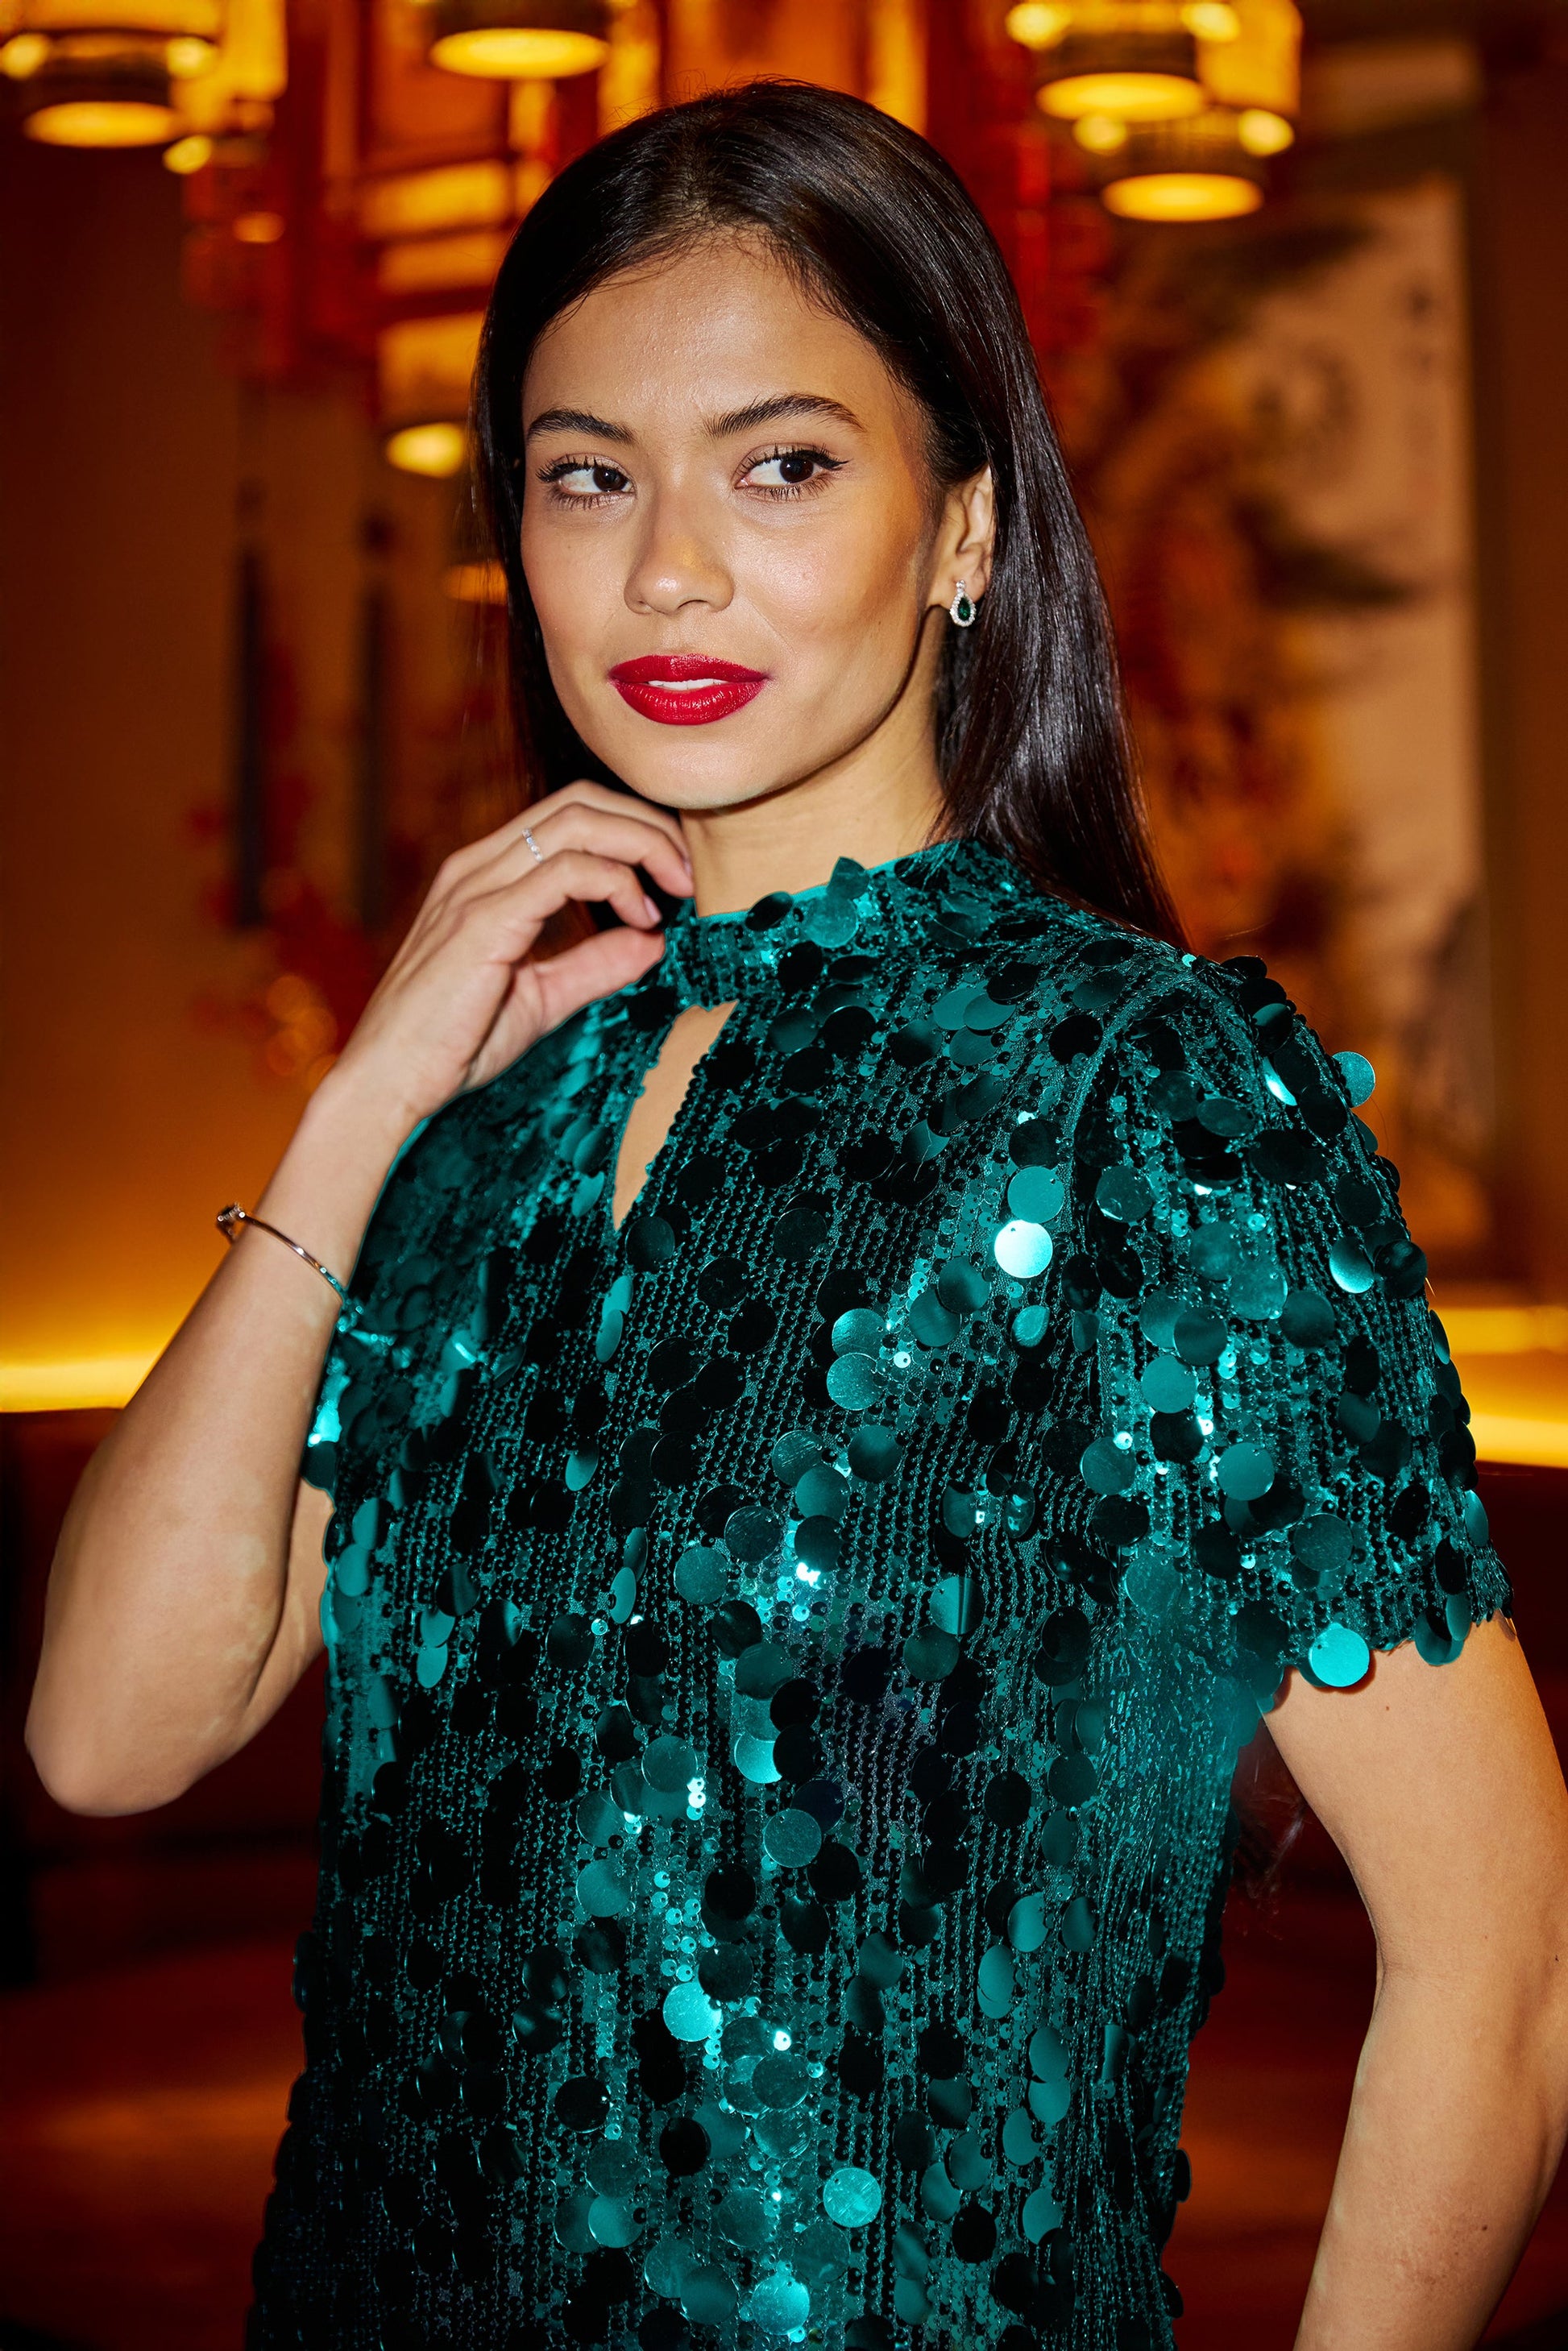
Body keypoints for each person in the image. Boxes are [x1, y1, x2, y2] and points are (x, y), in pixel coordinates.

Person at [26, 79, 1568, 2351]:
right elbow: (107, 1738)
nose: (663, 568)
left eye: (780, 465)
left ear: (959, 528)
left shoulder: (1143, 1101)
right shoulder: (486, 1125)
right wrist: (365, 1106)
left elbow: (1503, 1960)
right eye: (586, 476)